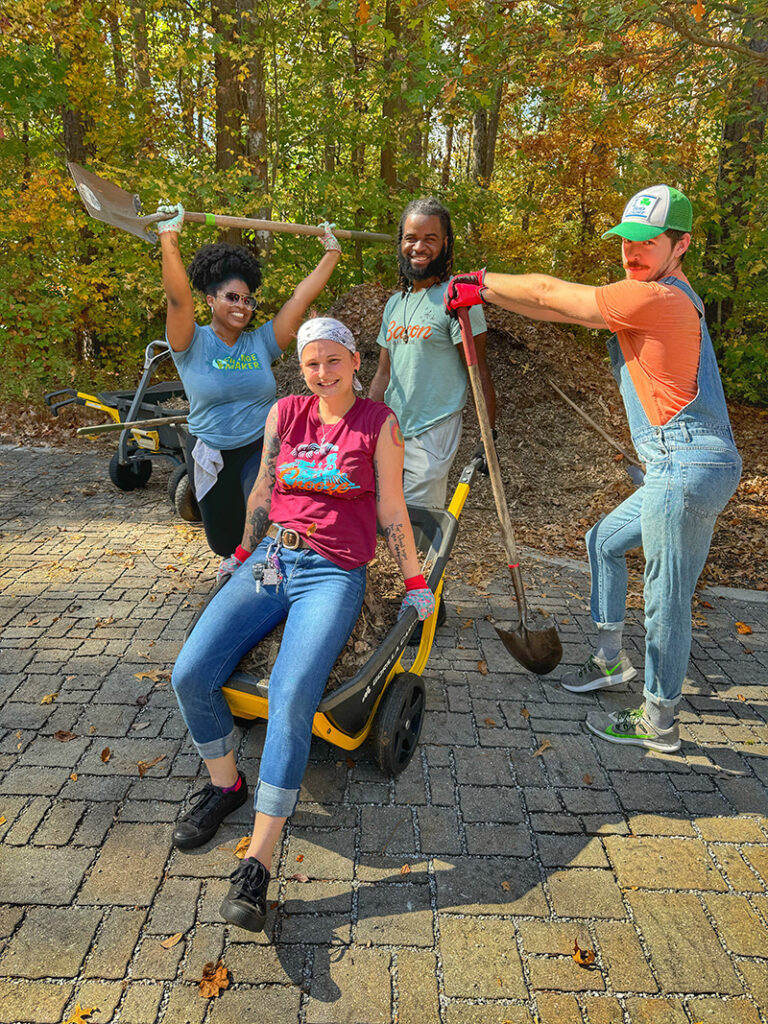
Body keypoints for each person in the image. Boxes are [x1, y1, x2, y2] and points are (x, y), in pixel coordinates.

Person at [445, 184, 741, 753]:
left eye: (647, 242)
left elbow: (553, 291)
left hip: (686, 463)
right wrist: (487, 300)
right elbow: (556, 307)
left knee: (667, 595)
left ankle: (659, 720)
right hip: (676, 463)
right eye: (627, 241)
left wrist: (480, 281)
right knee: (603, 541)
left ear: (680, 245)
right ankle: (610, 661)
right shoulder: (652, 293)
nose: (632, 253)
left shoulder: (661, 298)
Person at [170, 317, 435, 934]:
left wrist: (416, 581)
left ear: (355, 360)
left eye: (332, 361)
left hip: (335, 573)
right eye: (312, 363)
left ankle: (258, 861)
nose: (321, 373)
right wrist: (241, 553)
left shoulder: (378, 423)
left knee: (291, 696)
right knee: (190, 673)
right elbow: (263, 488)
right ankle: (226, 785)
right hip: (271, 561)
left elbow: (392, 507)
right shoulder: (286, 413)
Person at [155, 202, 342, 574]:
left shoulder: (261, 342)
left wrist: (331, 253)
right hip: (211, 451)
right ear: (211, 300)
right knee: (223, 541)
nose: (242, 306)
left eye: (247, 299)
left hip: (262, 447)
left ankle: (268, 584)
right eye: (232, 298)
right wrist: (169, 237)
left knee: (263, 523)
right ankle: (244, 569)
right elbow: (178, 299)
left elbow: (299, 300)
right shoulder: (191, 342)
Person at [368, 197, 496, 510]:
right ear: (401, 242)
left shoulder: (457, 300)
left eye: (430, 239)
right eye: (411, 238)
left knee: (416, 524)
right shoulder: (395, 304)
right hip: (391, 428)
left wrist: (488, 436)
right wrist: (363, 422)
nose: (419, 247)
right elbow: (383, 373)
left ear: (446, 244)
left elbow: (478, 371)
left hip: (432, 432)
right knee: (382, 520)